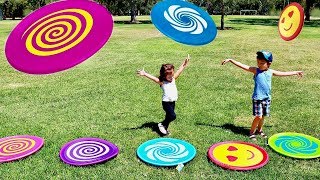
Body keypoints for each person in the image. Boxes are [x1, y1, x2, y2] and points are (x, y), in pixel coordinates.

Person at [221, 50, 303, 141]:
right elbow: (242, 65)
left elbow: (283, 73)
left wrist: (295, 72)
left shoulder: (271, 72)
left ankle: (259, 130)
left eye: (262, 63)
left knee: (263, 116)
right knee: (258, 116)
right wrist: (231, 60)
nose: (259, 64)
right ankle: (251, 132)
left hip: (267, 98)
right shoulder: (255, 70)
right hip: (258, 98)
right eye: (258, 62)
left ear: (269, 63)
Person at [137, 55, 190, 135]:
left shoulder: (173, 79)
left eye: (172, 74)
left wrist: (184, 63)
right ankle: (161, 124)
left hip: (172, 101)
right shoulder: (162, 82)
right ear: (164, 75)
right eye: (169, 76)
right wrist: (144, 74)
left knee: (168, 116)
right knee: (172, 116)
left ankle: (164, 129)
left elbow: (179, 71)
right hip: (166, 102)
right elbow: (153, 78)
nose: (171, 76)